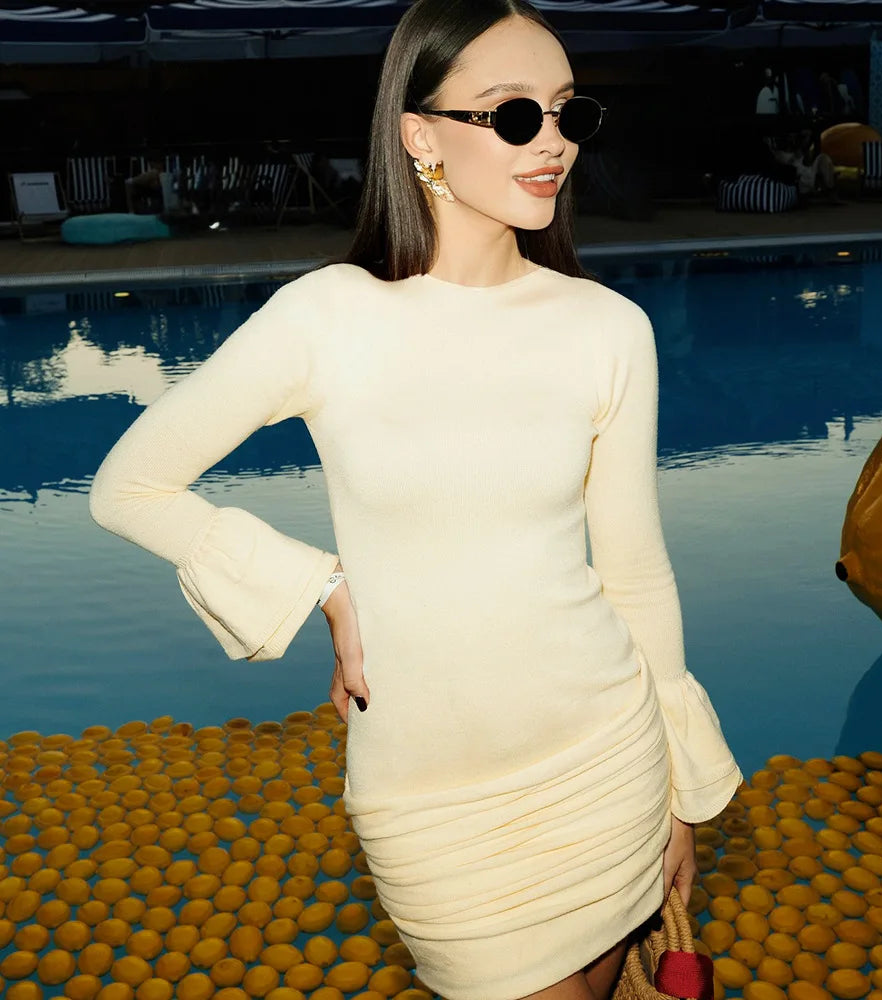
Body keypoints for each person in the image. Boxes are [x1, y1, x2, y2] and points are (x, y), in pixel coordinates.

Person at [88, 1, 743, 998]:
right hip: (431, 799)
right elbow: (129, 485)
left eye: (570, 113)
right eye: (514, 116)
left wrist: (681, 793)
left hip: (604, 763)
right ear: (419, 134)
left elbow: (635, 571)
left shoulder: (606, 329)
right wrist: (321, 585)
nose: (554, 143)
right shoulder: (328, 316)